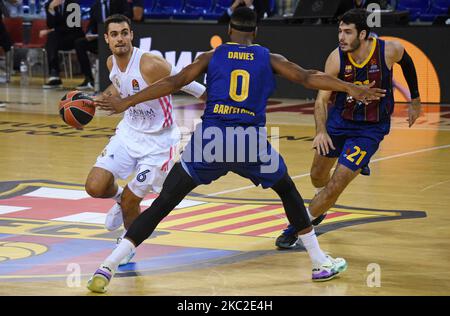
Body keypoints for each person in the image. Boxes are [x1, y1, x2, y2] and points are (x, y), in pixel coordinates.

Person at [87, 7, 385, 293]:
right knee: (288, 192)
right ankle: (319, 262)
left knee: (164, 203)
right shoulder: (269, 57)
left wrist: (125, 102)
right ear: (255, 31)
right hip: (248, 144)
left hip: (210, 141)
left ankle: (108, 266)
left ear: (228, 30)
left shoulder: (213, 55)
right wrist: (350, 88)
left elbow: (174, 82)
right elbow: (308, 77)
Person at [275, 8, 421, 249]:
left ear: (362, 34)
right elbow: (322, 100)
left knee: (336, 184)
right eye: (340, 31)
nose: (341, 37)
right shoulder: (336, 58)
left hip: (370, 130)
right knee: (317, 177)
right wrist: (321, 131)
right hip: (339, 123)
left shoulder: (388, 50)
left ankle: (296, 228)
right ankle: (320, 206)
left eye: (347, 32)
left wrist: (415, 100)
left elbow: (407, 62)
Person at [84, 14, 206, 266]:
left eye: (125, 33)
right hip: (129, 133)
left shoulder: (150, 63)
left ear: (131, 35)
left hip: (159, 143)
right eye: (115, 34)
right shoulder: (110, 63)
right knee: (95, 186)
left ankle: (127, 246)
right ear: (106, 39)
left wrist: (217, 104)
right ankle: (118, 198)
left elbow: (188, 83)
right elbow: (120, 86)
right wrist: (98, 99)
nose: (120, 38)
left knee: (132, 201)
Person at [74, 0, 132, 90]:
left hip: (117, 38)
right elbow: (92, 25)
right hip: (100, 38)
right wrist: (89, 34)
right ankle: (89, 79)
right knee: (79, 43)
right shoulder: (95, 6)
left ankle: (122, 79)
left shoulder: (120, 2)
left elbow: (128, 17)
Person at [41, 0, 85, 89]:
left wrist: (52, 31)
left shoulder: (73, 3)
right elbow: (50, 25)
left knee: (52, 36)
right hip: (59, 39)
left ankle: (54, 74)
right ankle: (55, 76)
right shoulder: (49, 5)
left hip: (74, 37)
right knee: (52, 37)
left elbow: (73, 27)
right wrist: (51, 10)